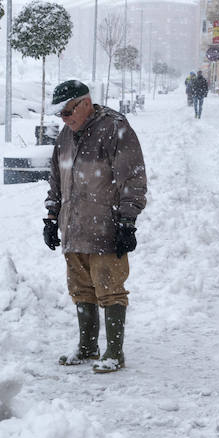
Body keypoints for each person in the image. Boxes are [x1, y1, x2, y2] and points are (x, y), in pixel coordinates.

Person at [43, 80, 148, 373]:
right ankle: (88, 346)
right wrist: (52, 218)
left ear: (85, 103)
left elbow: (134, 178)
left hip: (105, 227)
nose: (63, 119)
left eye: (67, 112)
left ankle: (114, 352)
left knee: (110, 288)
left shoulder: (115, 128)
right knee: (80, 289)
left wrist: (127, 222)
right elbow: (56, 180)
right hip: (73, 227)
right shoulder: (65, 135)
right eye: (60, 115)